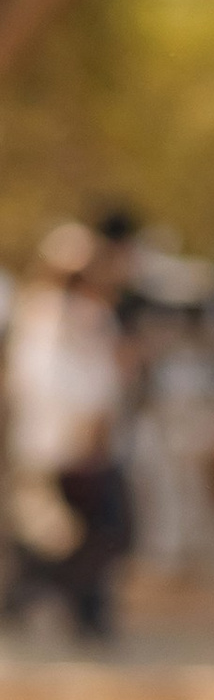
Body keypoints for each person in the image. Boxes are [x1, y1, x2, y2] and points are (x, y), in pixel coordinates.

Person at [3, 220, 133, 643]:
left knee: (99, 533)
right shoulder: (42, 316)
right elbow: (40, 382)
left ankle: (78, 609)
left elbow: (105, 380)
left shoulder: (93, 316)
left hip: (86, 447)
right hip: (55, 446)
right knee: (57, 535)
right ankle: (41, 602)